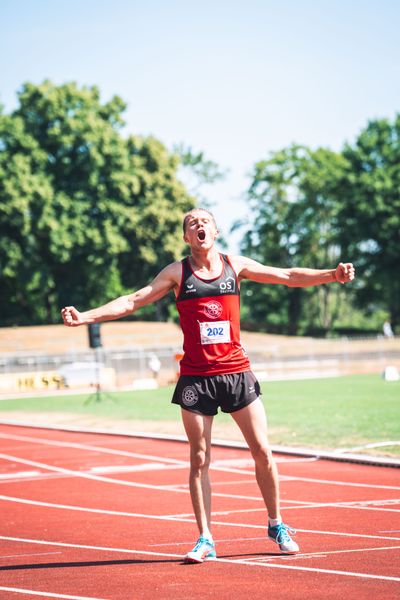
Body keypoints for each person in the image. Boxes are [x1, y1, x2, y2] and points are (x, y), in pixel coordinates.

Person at [61, 207, 355, 563]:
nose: (198, 225)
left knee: (262, 450)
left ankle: (276, 524)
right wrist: (86, 317)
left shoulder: (236, 265)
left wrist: (332, 275)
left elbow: (289, 275)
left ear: (215, 230)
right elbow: (132, 300)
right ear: (187, 237)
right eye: (191, 223)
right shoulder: (176, 273)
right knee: (199, 458)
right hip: (196, 379)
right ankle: (205, 538)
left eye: (204, 221)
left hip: (237, 373)